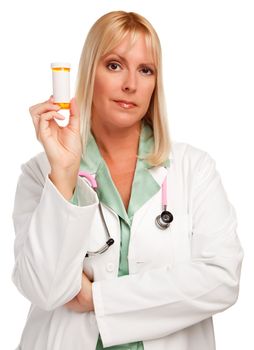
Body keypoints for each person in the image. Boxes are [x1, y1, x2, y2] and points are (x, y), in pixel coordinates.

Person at [11, 10, 244, 350]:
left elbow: (222, 280)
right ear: (90, 72)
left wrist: (99, 299)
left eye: (145, 70)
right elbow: (44, 289)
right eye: (115, 65)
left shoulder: (194, 170)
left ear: (155, 83)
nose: (131, 84)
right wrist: (63, 174)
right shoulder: (40, 174)